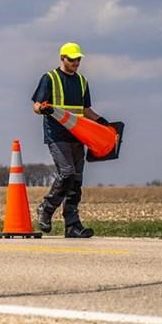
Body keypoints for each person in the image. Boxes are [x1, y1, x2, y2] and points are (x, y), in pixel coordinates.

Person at [31, 42, 109, 238]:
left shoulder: (82, 81)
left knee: (76, 181)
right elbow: (36, 105)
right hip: (57, 135)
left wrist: (102, 122)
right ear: (62, 58)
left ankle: (72, 225)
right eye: (72, 59)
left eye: (78, 59)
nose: (76, 62)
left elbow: (85, 111)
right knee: (67, 174)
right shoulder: (50, 78)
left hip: (78, 136)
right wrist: (43, 109)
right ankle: (46, 209)